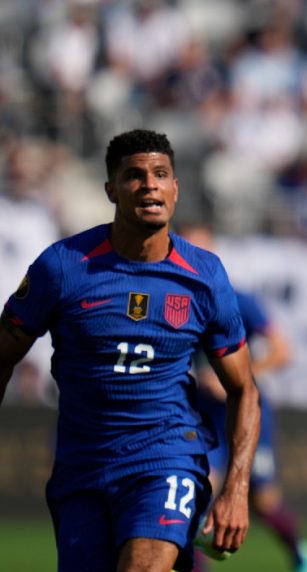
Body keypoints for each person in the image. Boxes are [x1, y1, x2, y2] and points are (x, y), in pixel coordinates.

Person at [0, 129, 261, 572]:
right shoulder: (62, 266)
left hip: (166, 457)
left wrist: (236, 489)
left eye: (161, 174)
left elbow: (244, 389)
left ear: (176, 189)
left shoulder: (204, 275)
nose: (149, 185)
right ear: (110, 190)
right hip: (83, 467)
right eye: (134, 176)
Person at [179, 223, 307, 572]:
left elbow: (282, 352)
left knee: (262, 502)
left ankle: (300, 553)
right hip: (201, 417)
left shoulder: (237, 299)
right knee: (196, 496)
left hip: (244, 410)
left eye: (202, 252)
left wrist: (236, 376)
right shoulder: (175, 302)